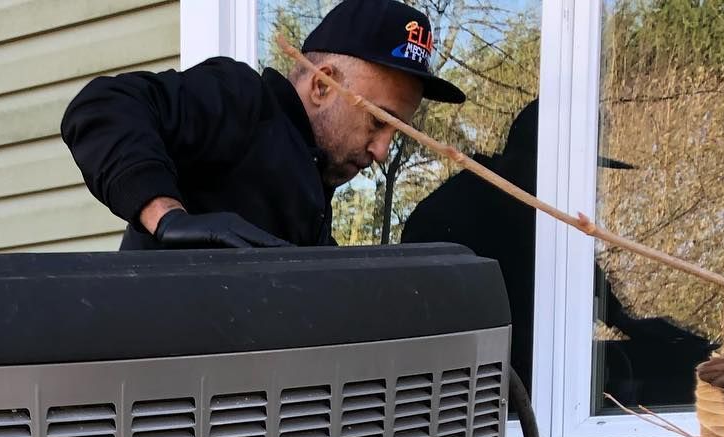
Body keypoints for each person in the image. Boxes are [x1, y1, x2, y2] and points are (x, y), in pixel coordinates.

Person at [61, 0, 465, 250]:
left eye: (396, 135)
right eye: (378, 121)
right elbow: (103, 107)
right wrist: (168, 218)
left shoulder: (314, 196)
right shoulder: (241, 101)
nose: (380, 152)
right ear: (322, 85)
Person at [403, 99, 710, 400]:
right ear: (531, 162)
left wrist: (623, 320)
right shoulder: (451, 216)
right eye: (566, 172)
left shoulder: (530, 212)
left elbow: (577, 267)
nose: (581, 189)